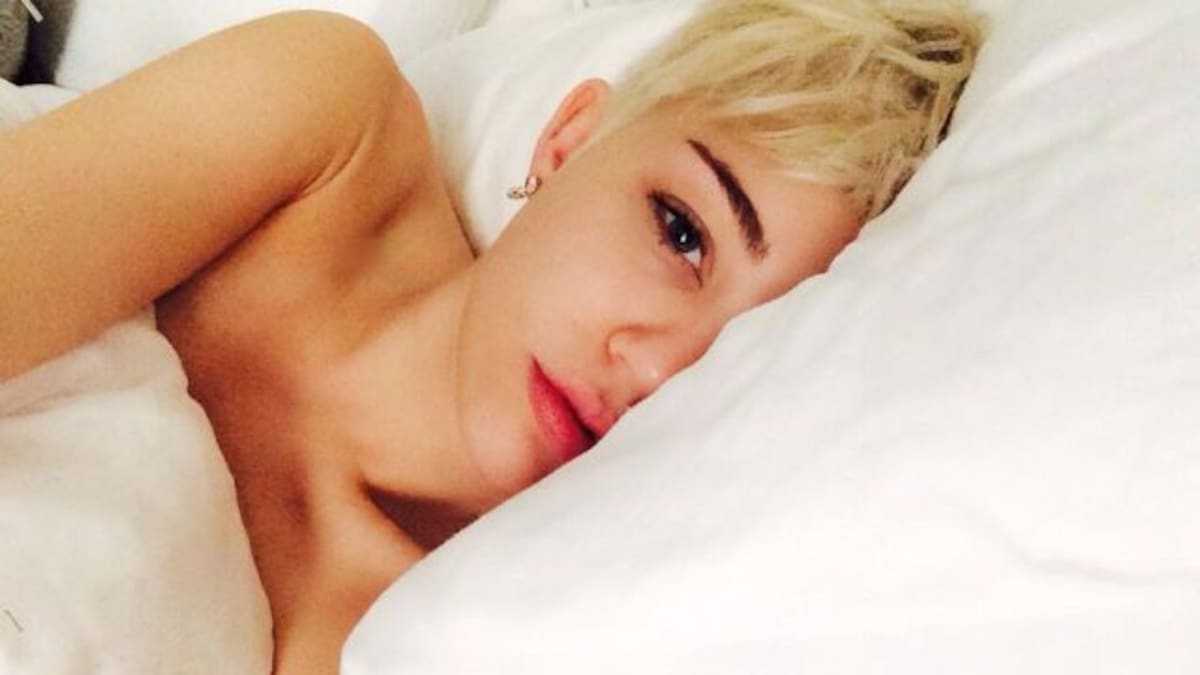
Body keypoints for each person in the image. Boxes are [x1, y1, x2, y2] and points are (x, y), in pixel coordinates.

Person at [0, 1, 982, 672]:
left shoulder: (468, 640)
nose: (656, 366)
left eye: (749, 348)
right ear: (571, 138)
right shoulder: (329, 139)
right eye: (681, 232)